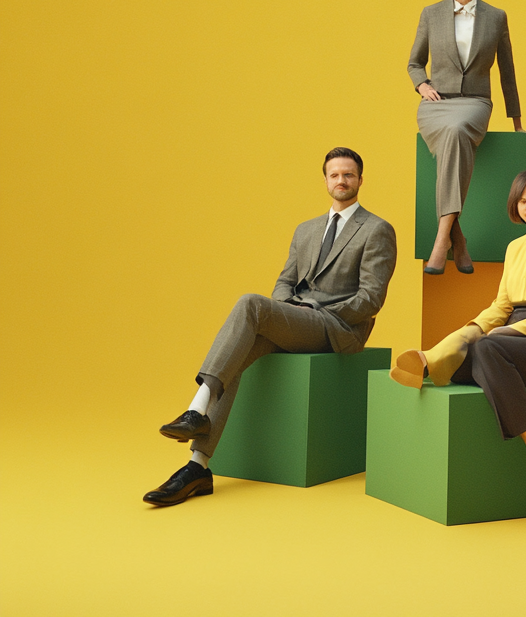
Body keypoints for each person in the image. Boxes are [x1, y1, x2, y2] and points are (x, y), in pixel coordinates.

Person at [145, 148, 397, 506]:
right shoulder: (306, 230)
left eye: (349, 175)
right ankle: (197, 466)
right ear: (325, 180)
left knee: (250, 302)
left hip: (336, 327)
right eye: (334, 175)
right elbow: (285, 281)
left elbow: (371, 298)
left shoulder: (377, 229)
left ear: (360, 179)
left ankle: (196, 410)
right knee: (242, 351)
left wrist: (312, 308)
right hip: (297, 320)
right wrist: (287, 308)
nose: (341, 180)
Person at [389, 169, 526, 506]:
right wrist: (475, 329)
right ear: (515, 205)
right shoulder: (515, 247)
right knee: (474, 348)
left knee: (487, 347)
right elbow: (503, 305)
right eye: (523, 201)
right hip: (511, 338)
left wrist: (499, 333)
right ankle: (435, 359)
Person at [408, 0, 524, 275]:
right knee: (451, 142)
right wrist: (422, 85)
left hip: (474, 103)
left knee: (457, 132)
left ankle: (440, 240)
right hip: (436, 104)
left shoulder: (496, 17)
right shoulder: (430, 14)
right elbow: (414, 62)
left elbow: (507, 71)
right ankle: (457, 240)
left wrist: (517, 121)